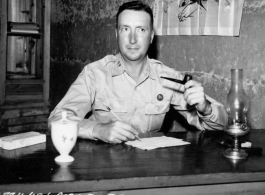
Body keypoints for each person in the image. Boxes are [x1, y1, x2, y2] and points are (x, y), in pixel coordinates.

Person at [48, 0, 227, 144]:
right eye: (125, 29)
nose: (132, 39)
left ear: (151, 36)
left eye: (141, 30)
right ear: (117, 34)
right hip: (102, 167)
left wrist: (205, 107)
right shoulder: (95, 73)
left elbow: (220, 126)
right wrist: (97, 129)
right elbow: (56, 119)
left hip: (149, 169)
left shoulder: (168, 78)